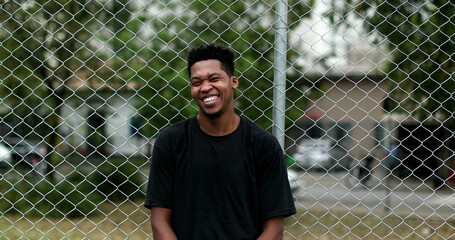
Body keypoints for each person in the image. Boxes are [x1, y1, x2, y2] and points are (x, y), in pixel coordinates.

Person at [144, 43, 296, 240]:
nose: (205, 87)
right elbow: (159, 220)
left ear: (233, 82)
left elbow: (274, 228)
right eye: (196, 82)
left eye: (214, 79)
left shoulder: (263, 145)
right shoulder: (171, 141)